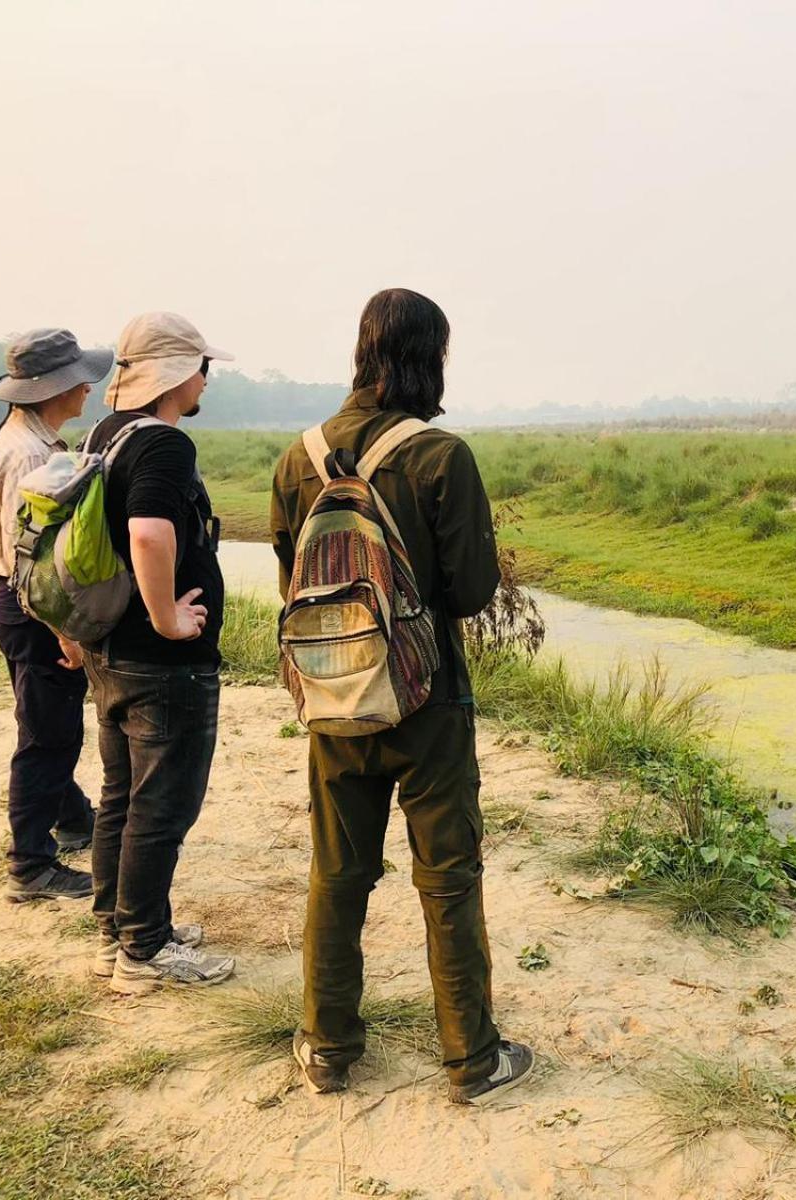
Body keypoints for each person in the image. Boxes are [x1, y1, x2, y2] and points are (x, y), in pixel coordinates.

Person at [270, 288, 533, 1102]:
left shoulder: (297, 458)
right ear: (432, 358)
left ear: (362, 351)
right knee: (447, 876)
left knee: (337, 875)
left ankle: (326, 1047)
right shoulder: (441, 456)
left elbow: (292, 584)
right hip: (428, 703)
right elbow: (471, 594)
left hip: (331, 703)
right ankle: (471, 1059)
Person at [82, 311, 236, 994]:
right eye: (205, 366)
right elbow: (147, 533)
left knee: (122, 795)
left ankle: (118, 927)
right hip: (161, 663)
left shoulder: (105, 433)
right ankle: (143, 952)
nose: (208, 379)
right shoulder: (165, 446)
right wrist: (170, 616)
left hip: (109, 650)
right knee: (161, 807)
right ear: (180, 373)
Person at [0, 329, 106, 902]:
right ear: (59, 388)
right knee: (48, 735)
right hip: (32, 608)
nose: (87, 390)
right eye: (80, 381)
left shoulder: (18, 438)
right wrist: (66, 632)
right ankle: (30, 865)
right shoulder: (29, 453)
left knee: (46, 721)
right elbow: (29, 559)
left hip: (11, 601)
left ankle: (75, 818)